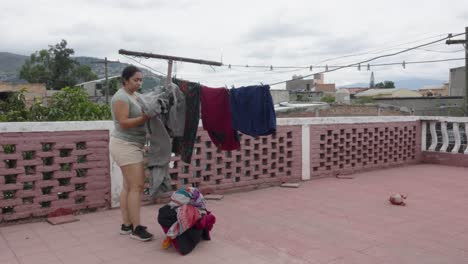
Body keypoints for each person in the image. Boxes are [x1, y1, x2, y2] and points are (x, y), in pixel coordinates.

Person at [109, 65, 153, 241]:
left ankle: (126, 225)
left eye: (141, 80)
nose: (139, 83)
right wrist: (144, 118)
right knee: (137, 186)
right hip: (125, 145)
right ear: (125, 80)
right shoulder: (120, 97)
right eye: (136, 80)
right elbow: (123, 122)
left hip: (132, 144)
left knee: (129, 186)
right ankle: (137, 229)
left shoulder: (135, 96)